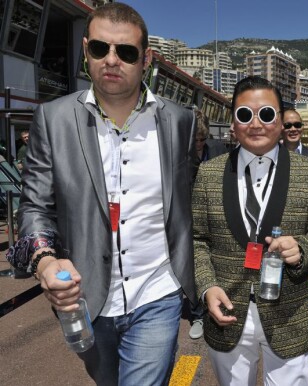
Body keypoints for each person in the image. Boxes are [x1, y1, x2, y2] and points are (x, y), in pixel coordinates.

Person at [6, 3, 196, 384]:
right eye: (100, 49)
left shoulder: (181, 120)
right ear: (85, 49)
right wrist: (44, 261)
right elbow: (35, 205)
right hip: (83, 299)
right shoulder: (53, 118)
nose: (112, 60)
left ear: (146, 60)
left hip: (157, 291)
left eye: (125, 52)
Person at [192, 76, 308, 385]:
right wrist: (207, 287)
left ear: (282, 121)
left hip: (288, 316)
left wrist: (301, 251)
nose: (256, 123)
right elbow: (198, 240)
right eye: (245, 114)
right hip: (227, 315)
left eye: (267, 114)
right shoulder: (209, 172)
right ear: (233, 121)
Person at [189, 109, 228, 340]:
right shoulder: (179, 153)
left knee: (215, 263)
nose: (199, 144)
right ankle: (197, 315)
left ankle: (218, 302)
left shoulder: (218, 150)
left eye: (203, 139)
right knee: (194, 265)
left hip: (215, 215)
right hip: (188, 217)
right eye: (195, 140)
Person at [281, 109, 308, 175]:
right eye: (288, 125)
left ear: (302, 128)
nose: (293, 129)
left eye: (297, 125)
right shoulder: (272, 156)